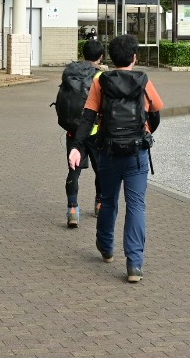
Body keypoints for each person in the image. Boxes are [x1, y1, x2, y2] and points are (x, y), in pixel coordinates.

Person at [75, 34, 163, 283]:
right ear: (134, 57)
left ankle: (106, 247)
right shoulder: (144, 81)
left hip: (109, 152)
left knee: (108, 200)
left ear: (111, 58)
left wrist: (78, 146)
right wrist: (145, 132)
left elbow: (89, 116)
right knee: (136, 206)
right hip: (137, 154)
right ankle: (134, 264)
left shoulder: (100, 82)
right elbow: (156, 111)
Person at [57, 39, 104, 229]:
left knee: (73, 170)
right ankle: (99, 203)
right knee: (100, 169)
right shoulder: (100, 76)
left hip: (73, 131)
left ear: (84, 54)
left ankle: (73, 209)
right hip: (95, 131)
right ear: (100, 56)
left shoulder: (71, 73)